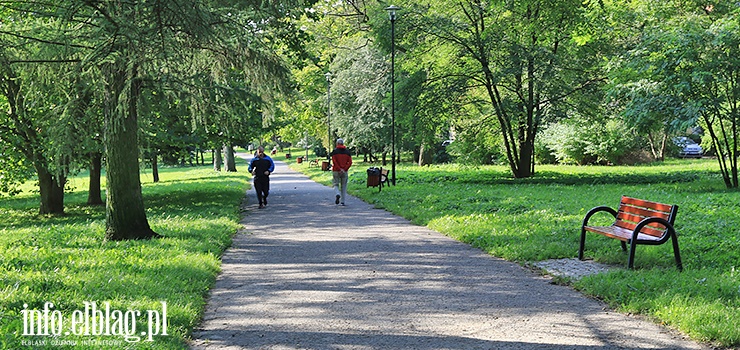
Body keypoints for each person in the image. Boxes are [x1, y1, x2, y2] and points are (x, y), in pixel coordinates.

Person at [330, 138, 353, 206]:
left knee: (336, 184)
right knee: (344, 186)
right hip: (344, 172)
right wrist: (344, 169)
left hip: (336, 170)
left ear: (337, 144)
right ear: (343, 144)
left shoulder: (335, 151)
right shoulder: (347, 152)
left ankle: (337, 194)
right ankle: (343, 201)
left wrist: (339, 169)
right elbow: (350, 162)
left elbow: (334, 161)